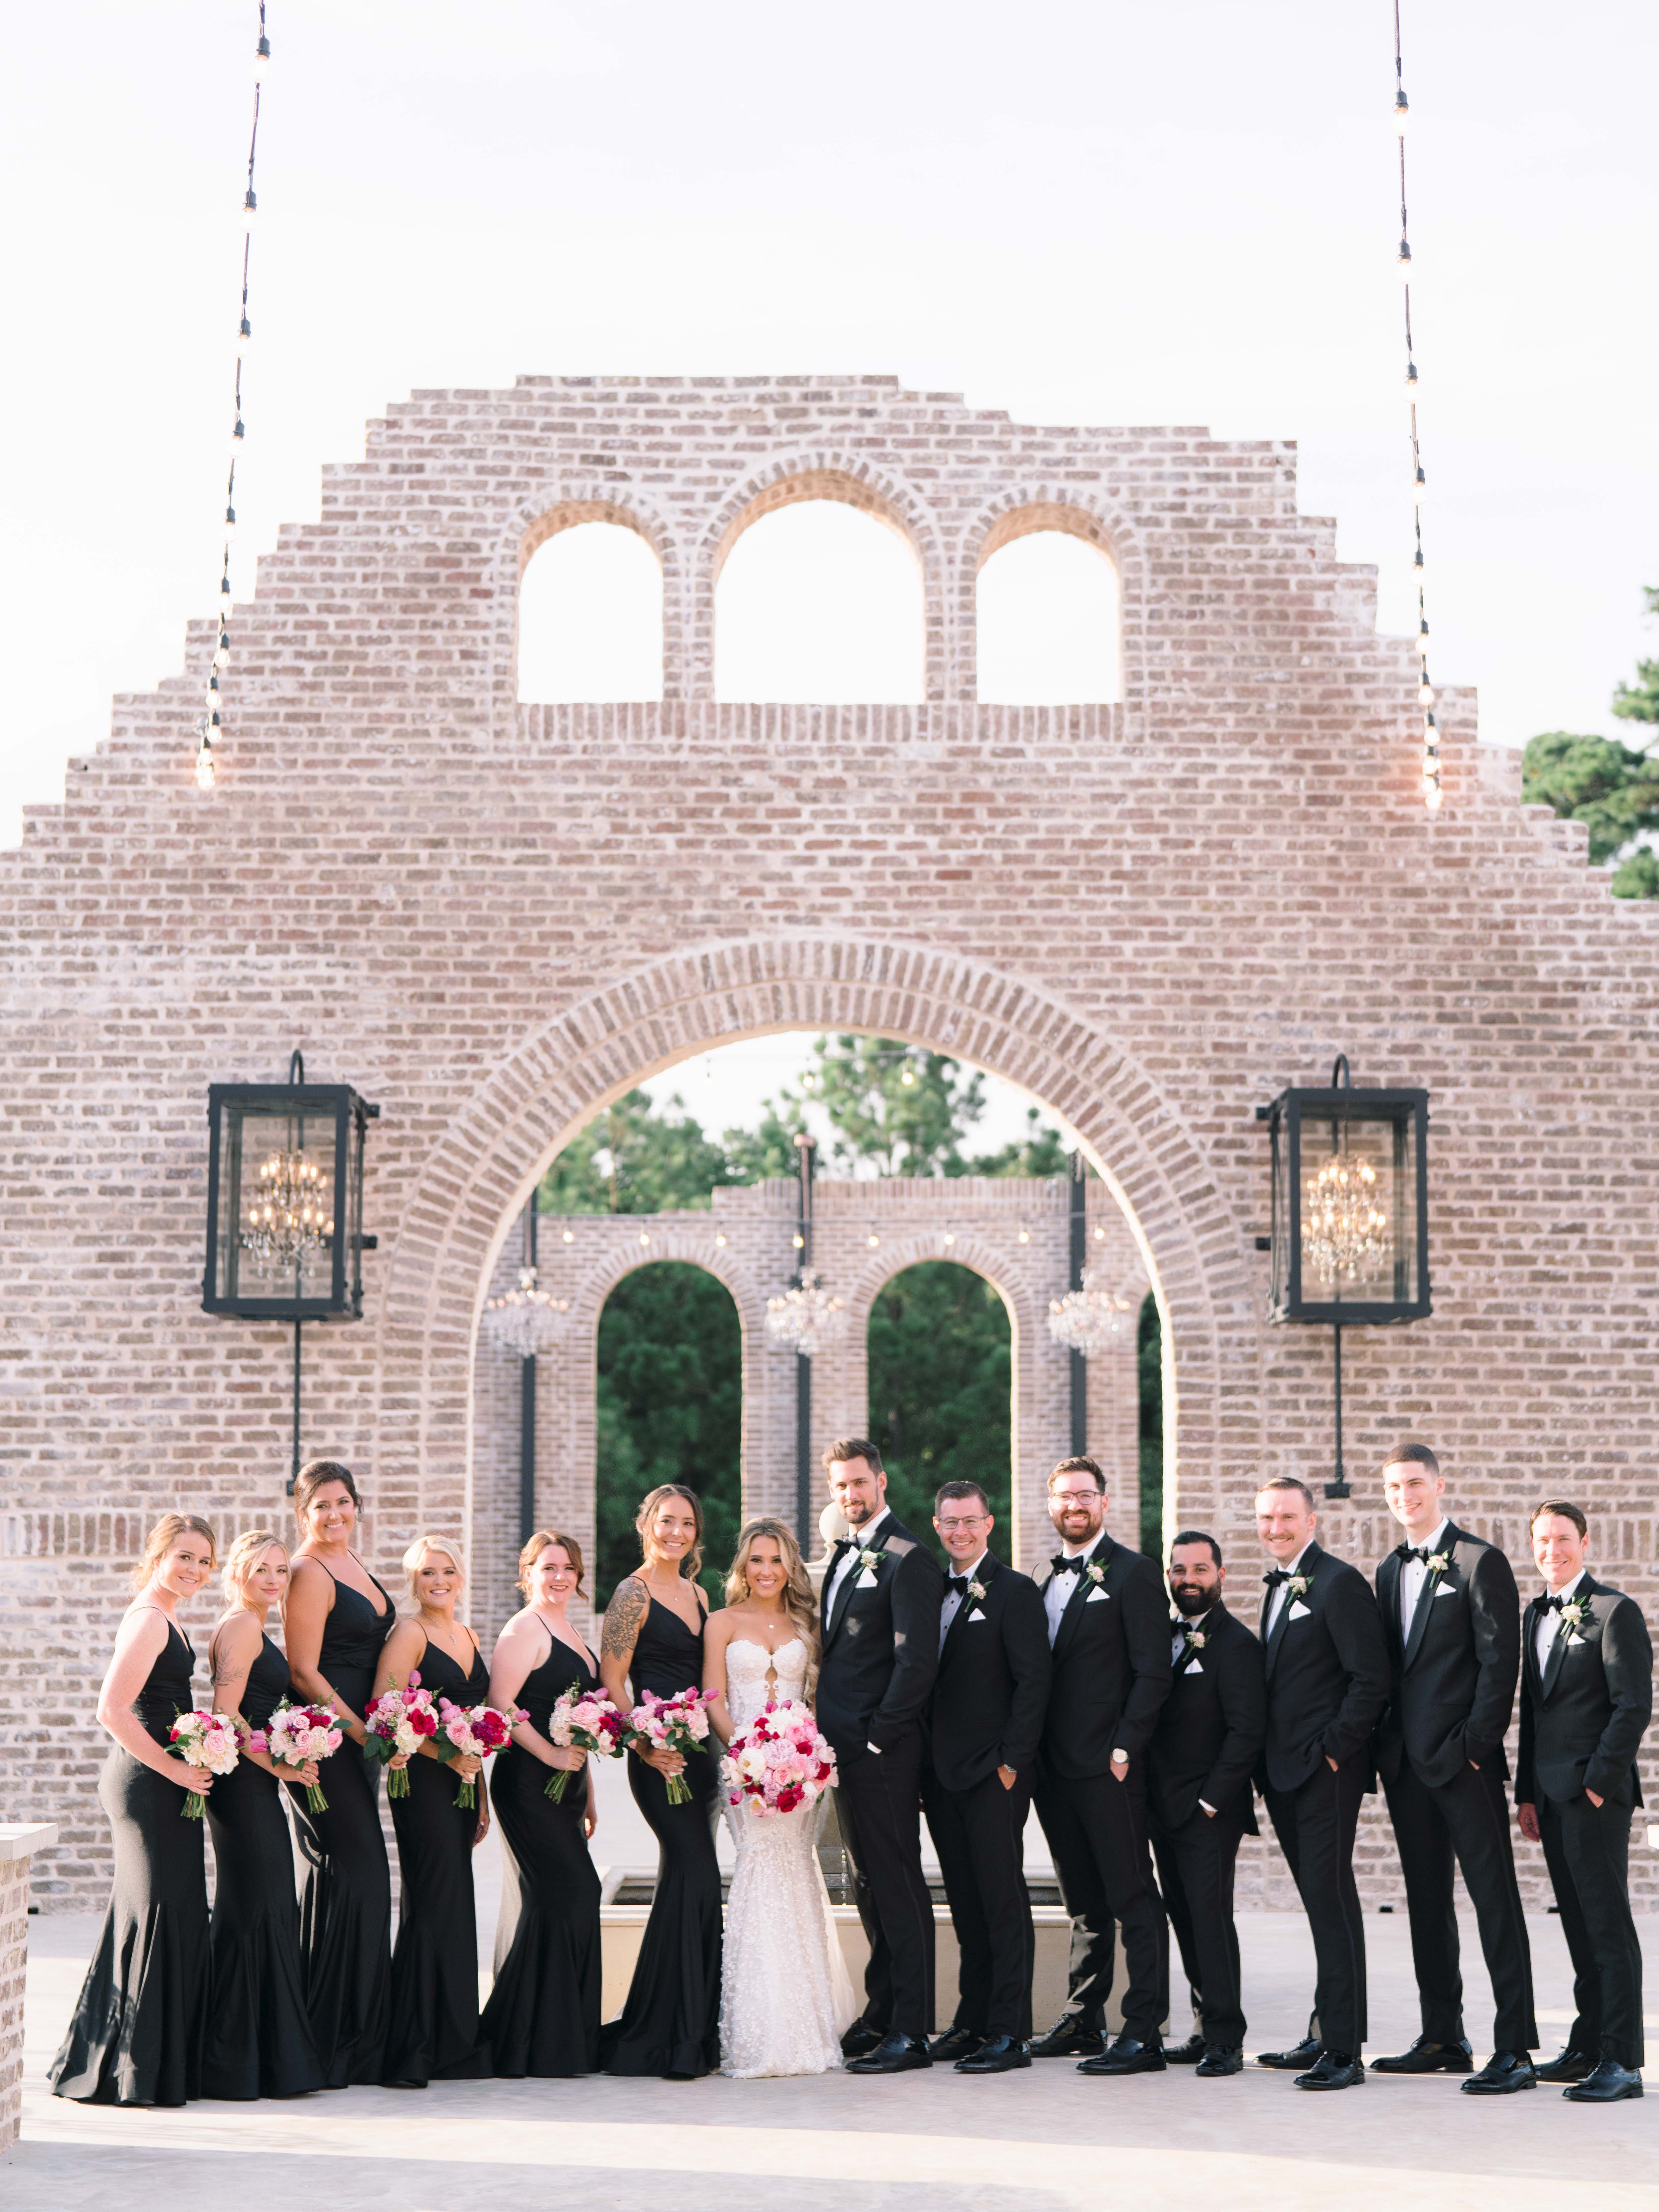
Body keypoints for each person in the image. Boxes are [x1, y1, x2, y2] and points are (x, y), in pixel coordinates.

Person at [1371, 1443, 1536, 2093]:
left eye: (1415, 1483)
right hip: (1408, 1769)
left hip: (1464, 1764)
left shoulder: (1479, 1561)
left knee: (1495, 1900)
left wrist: (1475, 1745)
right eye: (1393, 1487)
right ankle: (1443, 2035)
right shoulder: (1388, 1570)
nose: (1405, 1495)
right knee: (1426, 1902)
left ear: (1440, 1485)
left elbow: (1502, 1661)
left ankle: (1516, 2049)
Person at [50, 1513, 218, 2107]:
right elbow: (112, 1710)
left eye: (204, 1561)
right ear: (157, 1556)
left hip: (163, 1782)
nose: (195, 1570)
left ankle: (140, 2062)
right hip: (147, 1784)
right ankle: (135, 2072)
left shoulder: (166, 1614)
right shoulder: (150, 1619)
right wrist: (175, 1768)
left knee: (156, 1912)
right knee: (157, 1914)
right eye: (185, 1557)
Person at [1030, 1455, 1171, 2076]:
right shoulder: (1039, 1576)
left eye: (1085, 1496)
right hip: (1053, 1772)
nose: (1074, 1506)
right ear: (1051, 1506)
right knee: (1083, 1903)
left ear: (1105, 1503)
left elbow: (1153, 1671)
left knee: (1132, 1896)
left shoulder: (1136, 1574)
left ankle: (1143, 2029)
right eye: (1064, 1498)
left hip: (1108, 1767)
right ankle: (1085, 2017)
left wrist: (1124, 1750)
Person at [705, 1516, 856, 2078]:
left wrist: (803, 1761)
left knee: (796, 1877)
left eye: (776, 1561)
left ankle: (803, 2030)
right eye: (757, 1560)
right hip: (743, 1772)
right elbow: (713, 1696)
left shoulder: (806, 1626)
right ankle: (757, 2032)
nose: (766, 1571)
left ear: (790, 1567)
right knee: (758, 1874)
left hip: (799, 1774)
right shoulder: (721, 1622)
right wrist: (743, 1757)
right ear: (743, 1566)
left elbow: (814, 1699)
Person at [1253, 1474, 1389, 2091]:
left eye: (1287, 1517)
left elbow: (1371, 1679)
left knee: (1331, 1904)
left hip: (1323, 1773)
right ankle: (1326, 2029)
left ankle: (1343, 2050)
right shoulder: (1279, 1588)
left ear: (1313, 1522)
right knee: (1320, 1903)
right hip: (1284, 1773)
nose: (1276, 1528)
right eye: (1266, 1519)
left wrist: (1334, 1753)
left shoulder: (1338, 1583)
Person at [1517, 1499, 1652, 2104]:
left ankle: (1622, 2061)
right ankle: (1589, 2041)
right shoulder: (1533, 1615)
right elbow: (1534, 1715)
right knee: (1576, 1925)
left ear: (1586, 1542)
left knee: (1607, 1925)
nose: (1553, 1550)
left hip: (1596, 1796)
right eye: (1543, 1540)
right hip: (1549, 1795)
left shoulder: (1614, 1611)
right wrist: (1525, 1794)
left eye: (1564, 1538)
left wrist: (1599, 1783)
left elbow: (1633, 1706)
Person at [816, 1438, 944, 2074]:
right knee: (868, 1883)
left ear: (882, 1482)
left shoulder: (909, 1557)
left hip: (881, 1752)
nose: (850, 1496)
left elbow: (916, 1662)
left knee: (897, 1881)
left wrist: (876, 1740)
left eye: (859, 1483)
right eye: (840, 1486)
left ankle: (913, 2031)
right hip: (842, 1754)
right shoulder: (845, 1554)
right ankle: (883, 2011)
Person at [920, 1479, 1050, 2074]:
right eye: (950, 1523)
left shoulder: (1016, 1592)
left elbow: (1034, 1684)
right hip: (942, 1774)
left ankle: (1009, 2032)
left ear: (989, 1524)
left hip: (994, 1772)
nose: (960, 1532)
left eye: (970, 1522)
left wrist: (1011, 1763)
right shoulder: (927, 1590)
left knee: (1002, 1899)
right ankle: (972, 2022)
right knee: (966, 1902)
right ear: (937, 1525)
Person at [283, 1457, 401, 2086]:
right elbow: (304, 1671)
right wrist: (363, 1732)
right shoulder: (307, 1571)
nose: (334, 1515)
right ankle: (332, 2039)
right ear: (303, 1514)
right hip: (327, 1744)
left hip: (362, 1742)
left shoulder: (354, 1563)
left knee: (354, 1879)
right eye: (321, 1506)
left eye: (344, 1503)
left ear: (358, 1506)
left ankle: (355, 2036)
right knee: (357, 1874)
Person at [599, 1482, 723, 2079]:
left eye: (688, 1524)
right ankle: (675, 2033)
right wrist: (643, 1742)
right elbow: (612, 1678)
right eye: (667, 1521)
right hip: (655, 1756)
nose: (678, 1533)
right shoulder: (632, 1592)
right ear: (647, 1523)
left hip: (698, 1755)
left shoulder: (700, 1594)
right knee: (696, 1872)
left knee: (685, 1877)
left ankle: (680, 2030)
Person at [202, 1528, 325, 2099]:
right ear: (239, 1574)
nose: (275, 1580)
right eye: (262, 1570)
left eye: (282, 1571)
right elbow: (225, 1717)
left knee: (266, 1905)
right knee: (261, 1908)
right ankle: (242, 2062)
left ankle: (262, 2058)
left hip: (252, 1785)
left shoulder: (250, 1622)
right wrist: (283, 1766)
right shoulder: (244, 1625)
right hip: (244, 1791)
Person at [481, 1528, 603, 2077]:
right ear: (527, 1571)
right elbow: (501, 1704)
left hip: (568, 1786)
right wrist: (551, 1757)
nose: (559, 1577)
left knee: (564, 1898)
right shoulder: (523, 1628)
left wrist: (588, 1790)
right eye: (548, 1567)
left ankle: (559, 2039)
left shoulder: (574, 1629)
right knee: (572, 1891)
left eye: (568, 1568)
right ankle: (525, 2038)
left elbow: (584, 1720)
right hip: (529, 1782)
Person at [1147, 1529, 1265, 2079]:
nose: (1188, 1581)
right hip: (1162, 1806)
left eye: (1199, 1570)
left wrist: (1212, 1802)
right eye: (1179, 1570)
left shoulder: (1237, 1643)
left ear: (1222, 1576)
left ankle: (1226, 2038)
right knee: (1185, 1919)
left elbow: (1247, 1732)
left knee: (1212, 1920)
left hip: (1209, 1812)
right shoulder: (1162, 1635)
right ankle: (1201, 2028)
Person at [375, 1533, 492, 2086]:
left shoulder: (467, 1633)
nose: (438, 1580)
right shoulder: (410, 1633)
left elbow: (478, 1724)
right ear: (413, 1581)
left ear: (461, 1575)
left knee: (455, 1902)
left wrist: (481, 1791)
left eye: (446, 1570)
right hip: (421, 1782)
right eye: (427, 1573)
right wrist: (444, 1755)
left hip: (463, 1784)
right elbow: (383, 1714)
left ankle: (454, 2041)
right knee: (430, 1900)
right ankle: (414, 2047)